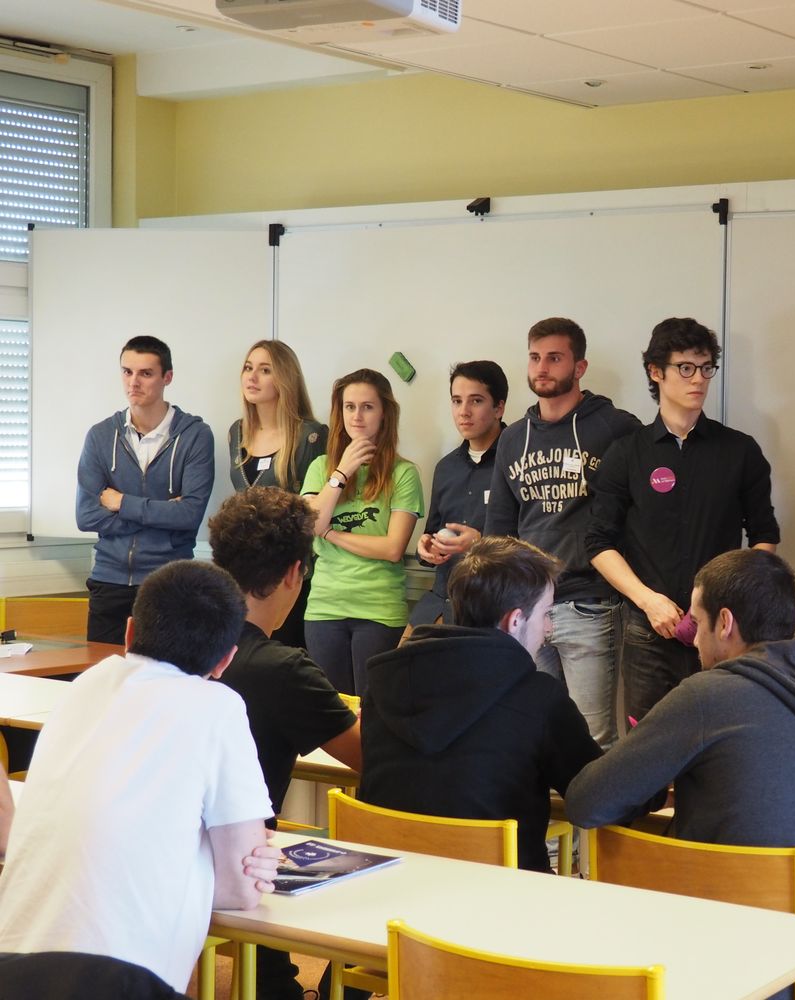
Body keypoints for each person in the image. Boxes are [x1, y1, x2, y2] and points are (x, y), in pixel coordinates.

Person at [564, 548, 795, 1000]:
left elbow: (586, 802)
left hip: (736, 965)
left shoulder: (706, 695)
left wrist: (664, 790)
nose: (693, 639)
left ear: (725, 622)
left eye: (697, 622)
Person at [0, 561, 279, 995]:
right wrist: (215, 857)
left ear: (129, 633)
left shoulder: (84, 686)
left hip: (11, 968)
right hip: (117, 981)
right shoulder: (218, 706)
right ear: (226, 659)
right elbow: (240, 890)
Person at [359, 535, 602, 873]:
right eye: (546, 613)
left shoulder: (384, 683)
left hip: (387, 884)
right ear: (515, 620)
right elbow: (598, 797)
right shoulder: (540, 698)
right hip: (501, 894)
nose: (548, 628)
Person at [209, 487, 362, 1000]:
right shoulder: (282, 669)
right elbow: (372, 759)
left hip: (171, 852)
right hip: (238, 864)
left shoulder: (179, 643)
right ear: (296, 573)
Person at [587, 317, 780, 722]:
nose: (699, 379)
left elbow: (764, 536)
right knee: (646, 746)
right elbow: (599, 543)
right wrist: (648, 600)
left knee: (720, 745)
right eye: (686, 367)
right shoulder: (626, 453)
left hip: (721, 631)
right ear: (656, 372)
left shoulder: (739, 450)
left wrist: (732, 600)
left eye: (706, 367)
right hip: (648, 629)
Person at [486, 317, 640, 747]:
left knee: (594, 737)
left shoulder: (615, 427)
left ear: (580, 366)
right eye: (535, 357)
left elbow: (638, 512)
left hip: (590, 603)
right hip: (529, 606)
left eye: (555, 358)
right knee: (534, 733)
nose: (542, 368)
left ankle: (592, 799)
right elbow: (499, 529)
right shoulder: (513, 439)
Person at [76, 336, 215, 644]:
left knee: (165, 672)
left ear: (168, 377)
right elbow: (86, 516)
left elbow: (189, 514)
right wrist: (163, 512)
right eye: (127, 372)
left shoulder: (195, 436)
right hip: (108, 581)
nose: (133, 382)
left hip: (169, 582)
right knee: (105, 670)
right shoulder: (100, 436)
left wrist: (121, 502)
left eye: (146, 373)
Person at [302, 368, 423, 697]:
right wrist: (342, 471)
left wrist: (331, 534)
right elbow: (310, 524)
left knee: (372, 711)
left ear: (384, 413)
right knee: (333, 712)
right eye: (349, 407)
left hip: (378, 610)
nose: (356, 416)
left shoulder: (403, 473)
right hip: (324, 608)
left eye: (367, 407)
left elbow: (392, 549)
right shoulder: (321, 468)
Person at [228, 339, 328, 648]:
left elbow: (316, 509)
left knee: (284, 654)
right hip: (246, 570)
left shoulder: (310, 436)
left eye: (265, 370)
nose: (252, 377)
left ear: (284, 378)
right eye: (248, 368)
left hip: (290, 571)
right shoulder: (237, 432)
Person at [411, 360, 508, 629]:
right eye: (456, 401)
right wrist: (427, 548)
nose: (464, 412)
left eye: (476, 401)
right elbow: (433, 531)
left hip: (494, 605)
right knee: (401, 654)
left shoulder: (517, 460)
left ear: (498, 408)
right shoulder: (446, 467)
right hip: (442, 598)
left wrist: (481, 543)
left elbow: (533, 543)